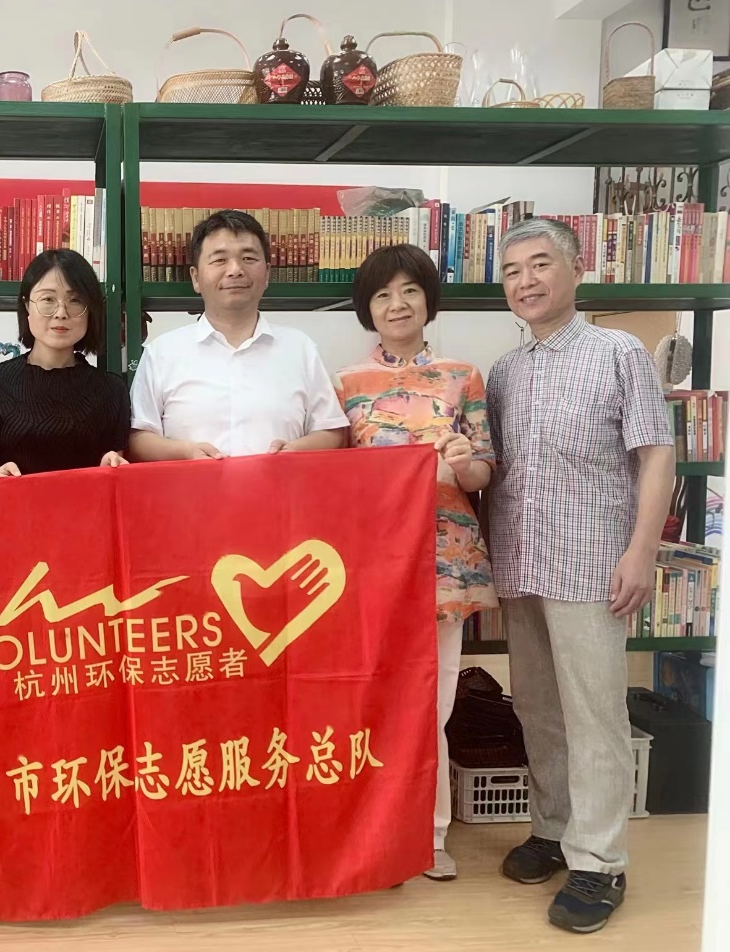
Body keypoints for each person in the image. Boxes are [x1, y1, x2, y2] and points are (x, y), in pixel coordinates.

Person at [486, 217, 674, 934]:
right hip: (521, 561)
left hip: (593, 563)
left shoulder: (617, 352)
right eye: (512, 271)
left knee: (594, 713)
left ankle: (599, 861)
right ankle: (553, 828)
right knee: (536, 706)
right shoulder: (505, 371)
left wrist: (642, 551)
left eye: (539, 264)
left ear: (575, 270)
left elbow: (655, 454)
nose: (526, 281)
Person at [334, 243, 498, 884]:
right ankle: (374, 831)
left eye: (409, 290)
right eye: (382, 294)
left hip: (444, 560)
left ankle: (428, 836)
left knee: (435, 702)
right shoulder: (346, 384)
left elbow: (482, 473)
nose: (397, 304)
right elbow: (332, 478)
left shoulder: (463, 377)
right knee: (374, 697)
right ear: (367, 309)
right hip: (371, 565)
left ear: (429, 299)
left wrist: (464, 461)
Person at [128, 209, 348, 461]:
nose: (235, 270)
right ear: (195, 278)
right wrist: (185, 453)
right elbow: (139, 438)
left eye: (248, 258)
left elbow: (332, 431)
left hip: (280, 486)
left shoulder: (300, 347)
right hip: (192, 487)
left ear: (267, 274)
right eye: (219, 260)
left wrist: (295, 451)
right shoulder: (162, 352)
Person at [0, 249, 130, 477]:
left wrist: (110, 465)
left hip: (86, 500)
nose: (61, 312)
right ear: (27, 305)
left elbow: (113, 467)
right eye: (48, 299)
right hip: (13, 500)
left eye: (75, 300)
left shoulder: (112, 390)